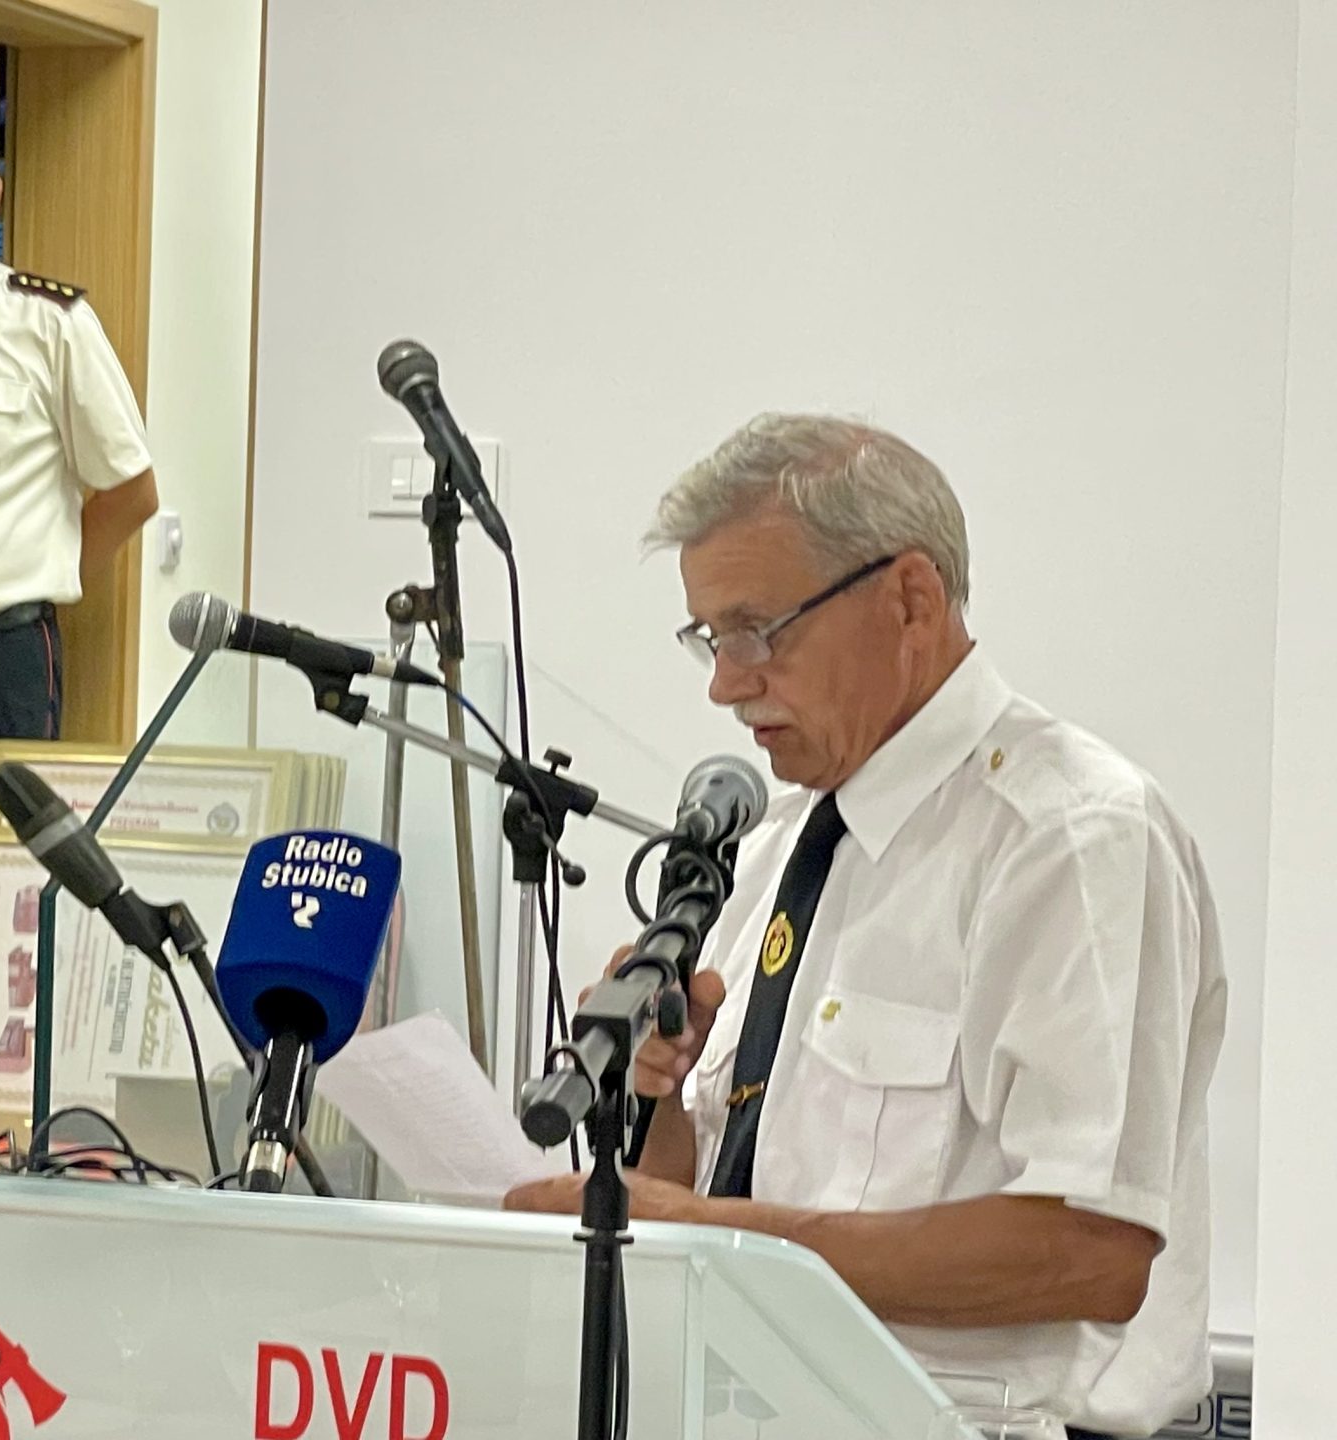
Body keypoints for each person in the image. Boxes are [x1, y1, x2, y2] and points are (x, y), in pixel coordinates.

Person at [503, 414, 1226, 1440]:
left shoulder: (1069, 837)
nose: (725, 682)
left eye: (757, 630)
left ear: (910, 600)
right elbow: (686, 1191)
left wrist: (721, 1234)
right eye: (709, 639)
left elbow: (1091, 1253)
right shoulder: (774, 849)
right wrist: (655, 1091)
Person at [0, 111, 159, 961]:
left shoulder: (48, 321)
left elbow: (131, 489)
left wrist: (48, 574)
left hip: (1, 656)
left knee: (2, 893)